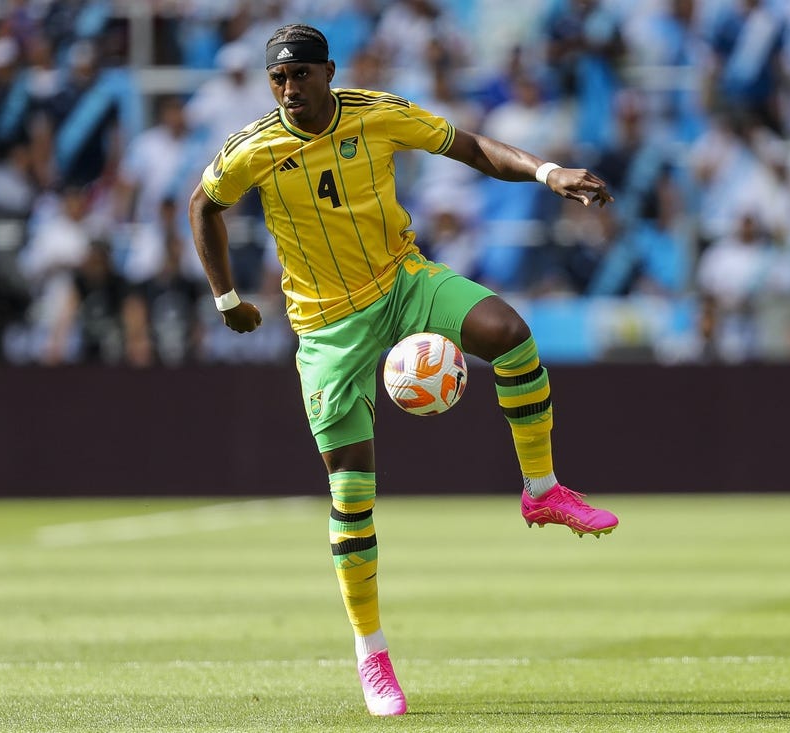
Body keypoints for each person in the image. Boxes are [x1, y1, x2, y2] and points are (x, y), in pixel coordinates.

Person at [187, 24, 620, 718]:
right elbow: (203, 205)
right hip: (328, 330)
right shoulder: (254, 148)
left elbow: (470, 146)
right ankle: (372, 652)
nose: (290, 89)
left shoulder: (377, 113)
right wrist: (227, 297)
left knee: (510, 334)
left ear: (328, 71)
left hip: (402, 281)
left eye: (300, 75)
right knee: (353, 495)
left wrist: (548, 172)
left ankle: (541, 488)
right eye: (279, 80)